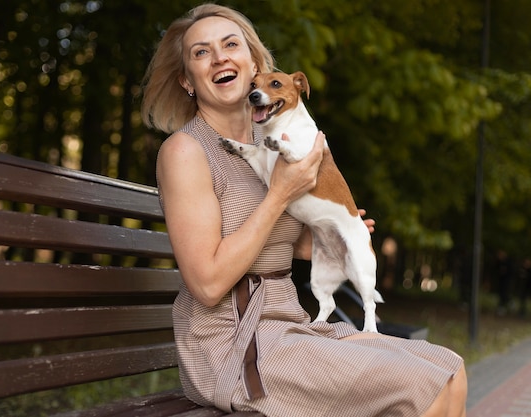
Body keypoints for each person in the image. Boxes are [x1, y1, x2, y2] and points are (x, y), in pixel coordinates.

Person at [141, 4, 467, 416]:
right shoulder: (186, 151)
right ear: (187, 81)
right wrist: (279, 195)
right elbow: (207, 284)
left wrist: (328, 237)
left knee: (449, 369)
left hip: (290, 324)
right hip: (233, 343)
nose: (220, 56)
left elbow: (275, 242)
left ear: (254, 64)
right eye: (202, 52)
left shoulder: (274, 140)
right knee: (423, 387)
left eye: (230, 44)